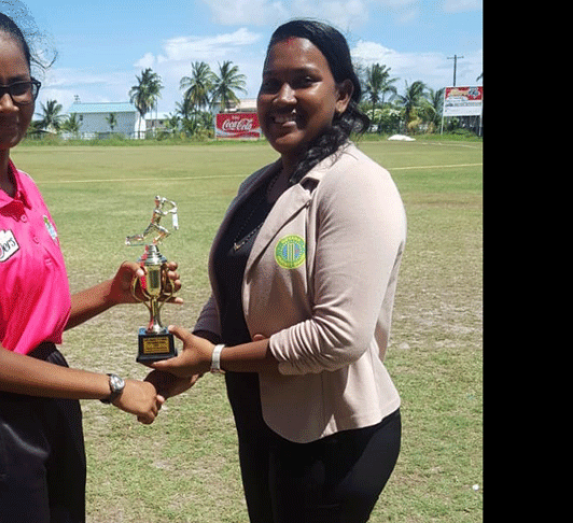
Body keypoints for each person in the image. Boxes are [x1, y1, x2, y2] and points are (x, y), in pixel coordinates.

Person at [0, 4, 178, 522]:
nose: (7, 104)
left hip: (47, 387)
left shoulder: (22, 186)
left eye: (20, 86)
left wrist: (111, 294)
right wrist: (115, 386)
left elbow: (29, 325)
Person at [152, 19, 407, 523]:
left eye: (304, 80)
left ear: (342, 95)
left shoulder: (356, 185)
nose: (281, 96)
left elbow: (339, 336)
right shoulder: (261, 183)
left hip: (332, 438)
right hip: (263, 423)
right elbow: (237, 284)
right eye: (271, 82)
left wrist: (218, 358)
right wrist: (197, 344)